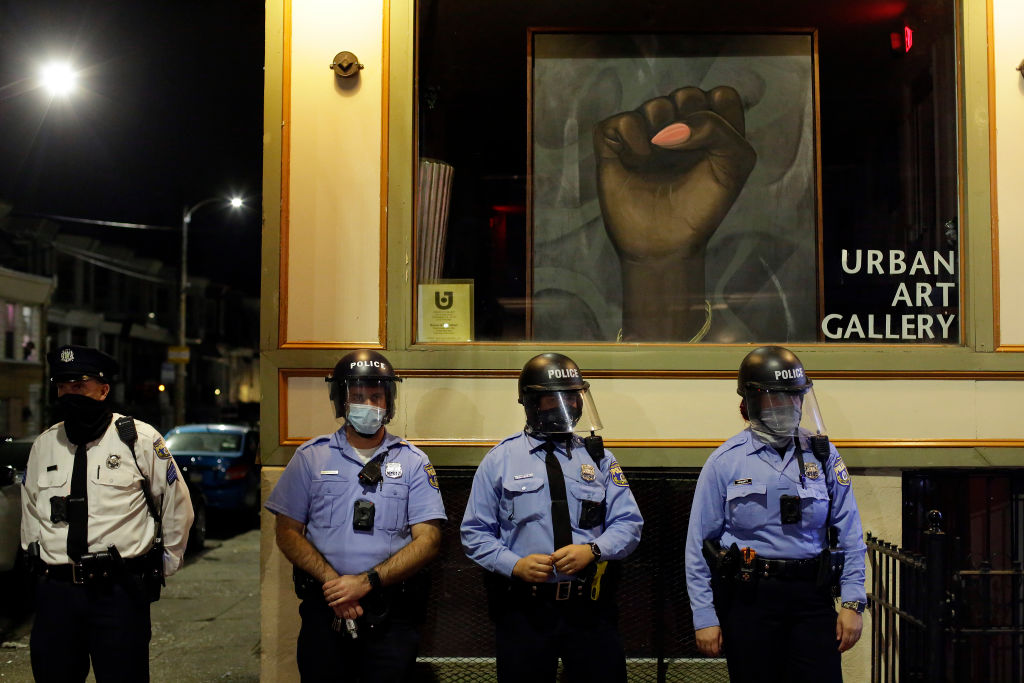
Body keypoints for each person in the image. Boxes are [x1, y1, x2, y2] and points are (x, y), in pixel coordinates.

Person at [684, 345, 867, 682]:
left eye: (795, 397)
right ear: (752, 402)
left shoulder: (823, 454)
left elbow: (849, 530)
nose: (788, 406)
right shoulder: (725, 461)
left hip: (812, 596)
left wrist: (853, 602)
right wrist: (705, 616)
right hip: (750, 597)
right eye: (776, 398)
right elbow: (699, 545)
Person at [461, 352, 644, 682]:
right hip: (524, 612)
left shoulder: (599, 458)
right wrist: (514, 565)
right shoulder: (499, 460)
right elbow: (474, 533)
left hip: (590, 609)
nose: (567, 407)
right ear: (531, 403)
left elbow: (629, 523)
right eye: (553, 399)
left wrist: (594, 550)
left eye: (573, 397)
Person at [265, 349, 446, 682]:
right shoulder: (310, 457)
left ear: (388, 402)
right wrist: (336, 585)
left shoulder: (413, 462)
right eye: (357, 396)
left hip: (391, 615)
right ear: (341, 401)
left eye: (376, 396)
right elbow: (287, 531)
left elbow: (430, 539)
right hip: (327, 610)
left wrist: (365, 583)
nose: (367, 404)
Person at [20, 344, 194, 682]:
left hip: (117, 592)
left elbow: (175, 503)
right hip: (57, 594)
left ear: (102, 389)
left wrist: (166, 562)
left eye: (79, 385)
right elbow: (30, 511)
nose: (69, 394)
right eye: (62, 386)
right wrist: (35, 563)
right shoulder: (46, 443)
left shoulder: (138, 438)